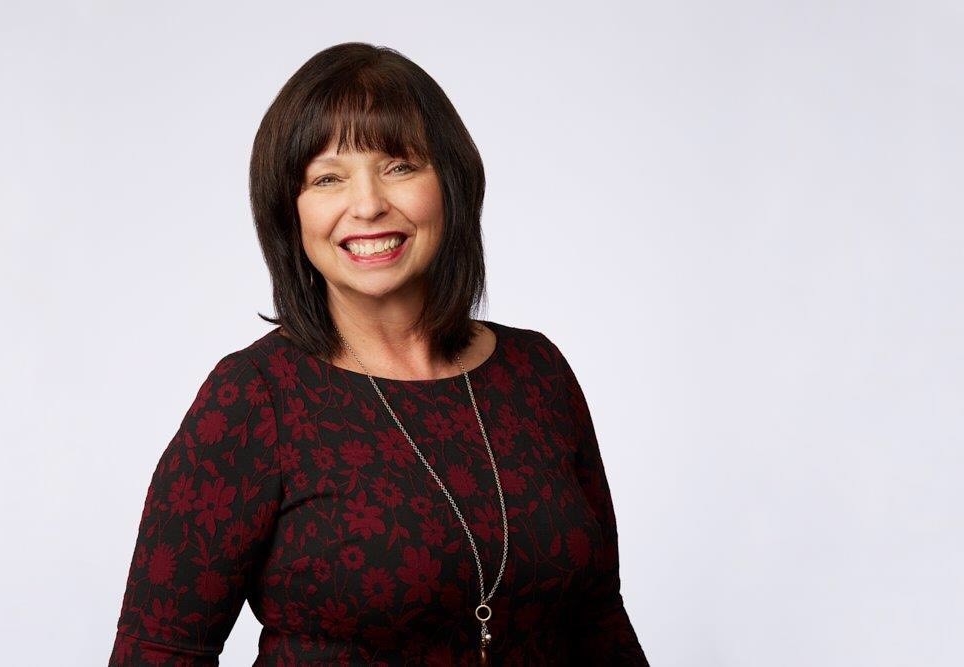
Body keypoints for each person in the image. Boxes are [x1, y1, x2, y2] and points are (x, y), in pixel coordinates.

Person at [108, 41, 649, 666]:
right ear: (291, 212)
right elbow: (159, 650)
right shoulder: (255, 396)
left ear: (451, 183)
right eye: (328, 177)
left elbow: (598, 617)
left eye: (398, 165)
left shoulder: (537, 372)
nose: (366, 204)